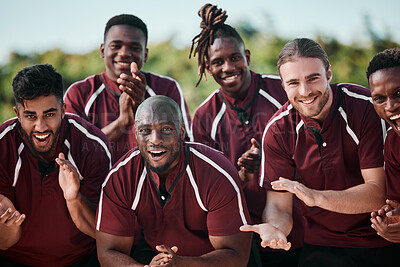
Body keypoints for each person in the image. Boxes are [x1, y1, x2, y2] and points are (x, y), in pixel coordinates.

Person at [240, 38, 398, 266]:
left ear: (329, 74)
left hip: (380, 239)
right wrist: (275, 229)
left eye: (313, 78)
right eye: (293, 82)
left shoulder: (365, 108)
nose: (305, 91)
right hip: (320, 243)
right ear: (283, 85)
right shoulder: (277, 130)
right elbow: (278, 205)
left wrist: (316, 197)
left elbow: (377, 193)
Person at [189, 4, 303, 266]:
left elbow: (315, 153)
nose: (228, 67)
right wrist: (243, 174)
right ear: (207, 67)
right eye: (217, 61)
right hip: (243, 236)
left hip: (299, 228)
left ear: (247, 57)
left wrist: (273, 159)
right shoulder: (205, 115)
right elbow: (208, 189)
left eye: (235, 58)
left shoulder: (283, 92)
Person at [95, 95, 252, 266]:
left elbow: (237, 256)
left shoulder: (216, 173)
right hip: (152, 258)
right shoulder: (121, 176)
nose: (155, 139)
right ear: (136, 134)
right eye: (145, 130)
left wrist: (181, 264)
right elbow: (108, 252)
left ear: (182, 132)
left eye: (167, 129)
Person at [0, 64, 112, 266]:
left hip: (80, 260)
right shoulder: (2, 146)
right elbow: (5, 243)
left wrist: (73, 198)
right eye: (30, 116)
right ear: (17, 113)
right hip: (15, 259)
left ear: (63, 110)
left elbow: (105, 233)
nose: (41, 127)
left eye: (49, 114)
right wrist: (8, 226)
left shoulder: (92, 145)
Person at [64, 14, 191, 162]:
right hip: (98, 184)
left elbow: (185, 148)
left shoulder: (167, 88)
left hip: (154, 184)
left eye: (135, 47)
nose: (124, 53)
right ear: (102, 50)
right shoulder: (79, 92)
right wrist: (122, 122)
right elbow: (72, 154)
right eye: (116, 46)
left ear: (145, 54)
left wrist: (144, 110)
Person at [368, 47, 400, 244]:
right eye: (379, 99)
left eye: (399, 93)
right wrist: (392, 219)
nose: (390, 106)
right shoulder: (393, 142)